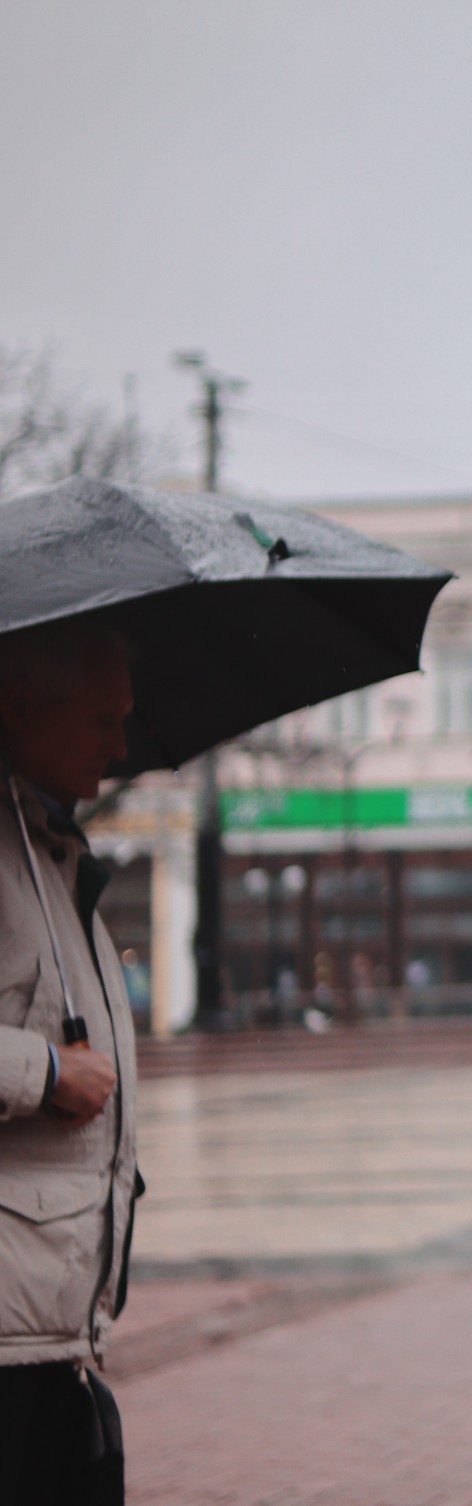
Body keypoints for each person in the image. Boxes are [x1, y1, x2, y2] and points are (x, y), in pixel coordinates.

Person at [0, 619, 142, 1506]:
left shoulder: (48, 853)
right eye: (101, 718)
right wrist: (47, 1074)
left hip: (50, 1338)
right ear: (20, 705)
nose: (121, 743)